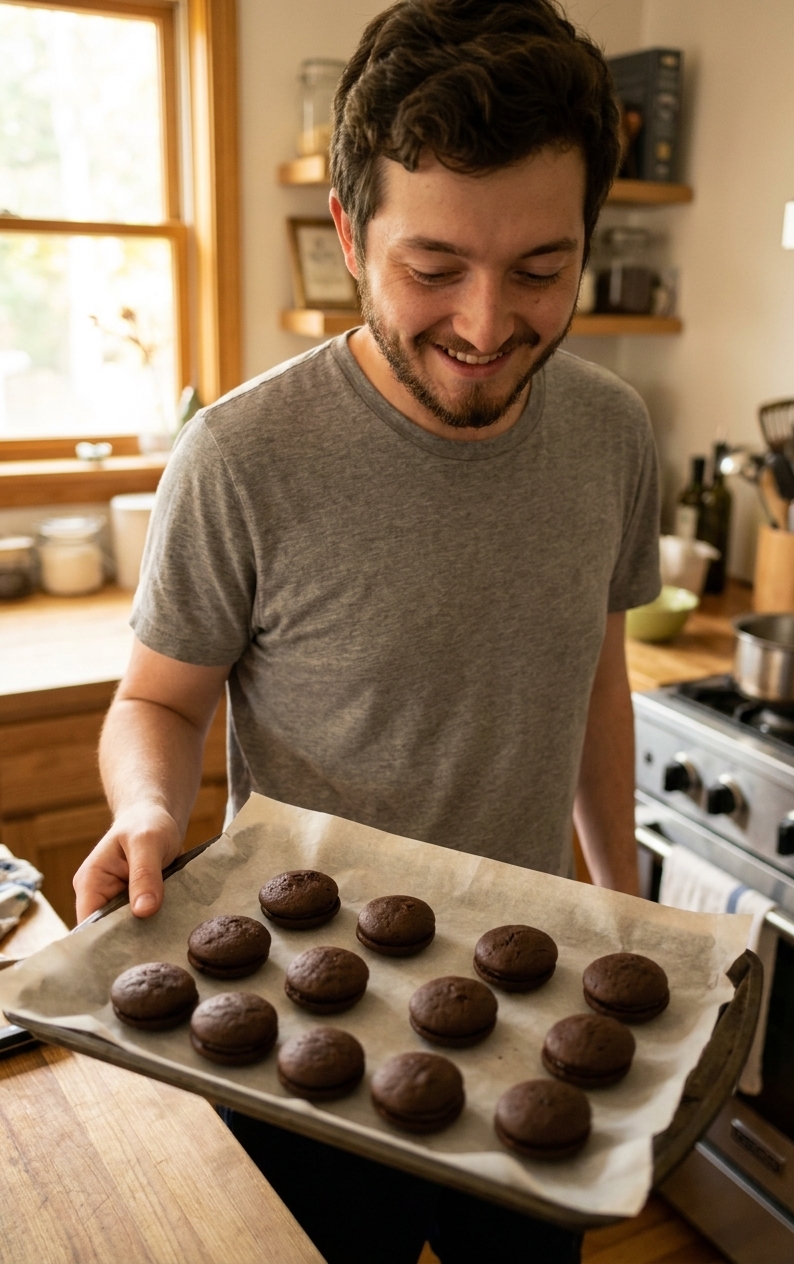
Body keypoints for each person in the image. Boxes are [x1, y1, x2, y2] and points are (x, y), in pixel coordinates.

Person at [74, 1, 660, 1259]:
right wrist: (143, 813)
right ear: (348, 232)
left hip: (531, 1010)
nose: (488, 322)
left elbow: (594, 682)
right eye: (433, 267)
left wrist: (629, 910)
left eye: (543, 268)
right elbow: (158, 702)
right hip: (300, 1026)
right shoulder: (239, 455)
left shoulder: (615, 434)